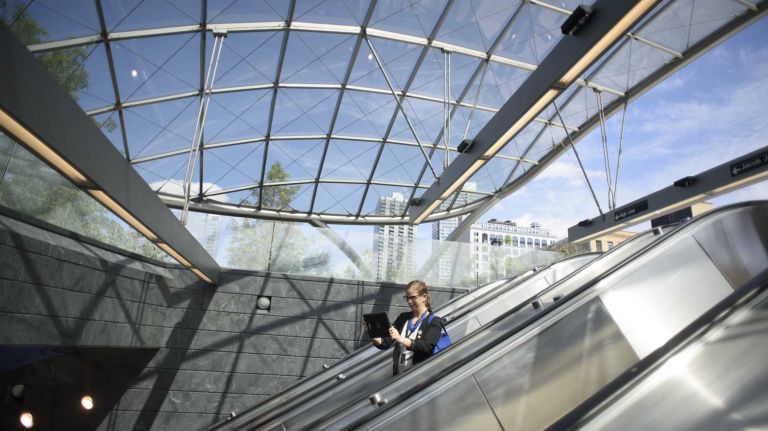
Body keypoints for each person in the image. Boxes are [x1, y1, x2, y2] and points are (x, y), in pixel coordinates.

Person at [369, 280, 444, 375]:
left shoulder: (434, 321)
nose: (409, 301)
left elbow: (427, 346)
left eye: (413, 298)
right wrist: (373, 334)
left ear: (424, 297)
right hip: (398, 375)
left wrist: (400, 339)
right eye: (407, 298)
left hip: (418, 378)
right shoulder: (403, 318)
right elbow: (385, 343)